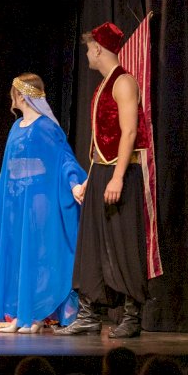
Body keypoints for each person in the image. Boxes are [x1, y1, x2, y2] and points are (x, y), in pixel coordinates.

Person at [55, 22, 150, 338]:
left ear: (98, 48)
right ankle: (89, 315)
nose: (86, 54)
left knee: (124, 242)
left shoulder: (123, 82)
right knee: (91, 244)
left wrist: (118, 177)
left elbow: (129, 132)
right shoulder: (102, 86)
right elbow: (101, 142)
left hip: (121, 173)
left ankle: (132, 316)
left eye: (88, 48)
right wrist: (90, 180)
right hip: (101, 172)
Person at [0, 73, 86, 333]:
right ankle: (21, 315)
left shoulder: (46, 126)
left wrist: (74, 183)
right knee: (17, 255)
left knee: (38, 254)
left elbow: (64, 158)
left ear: (21, 95)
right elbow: (8, 167)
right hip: (14, 201)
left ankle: (36, 316)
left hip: (37, 201)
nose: (11, 96)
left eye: (14, 92)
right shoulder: (16, 127)